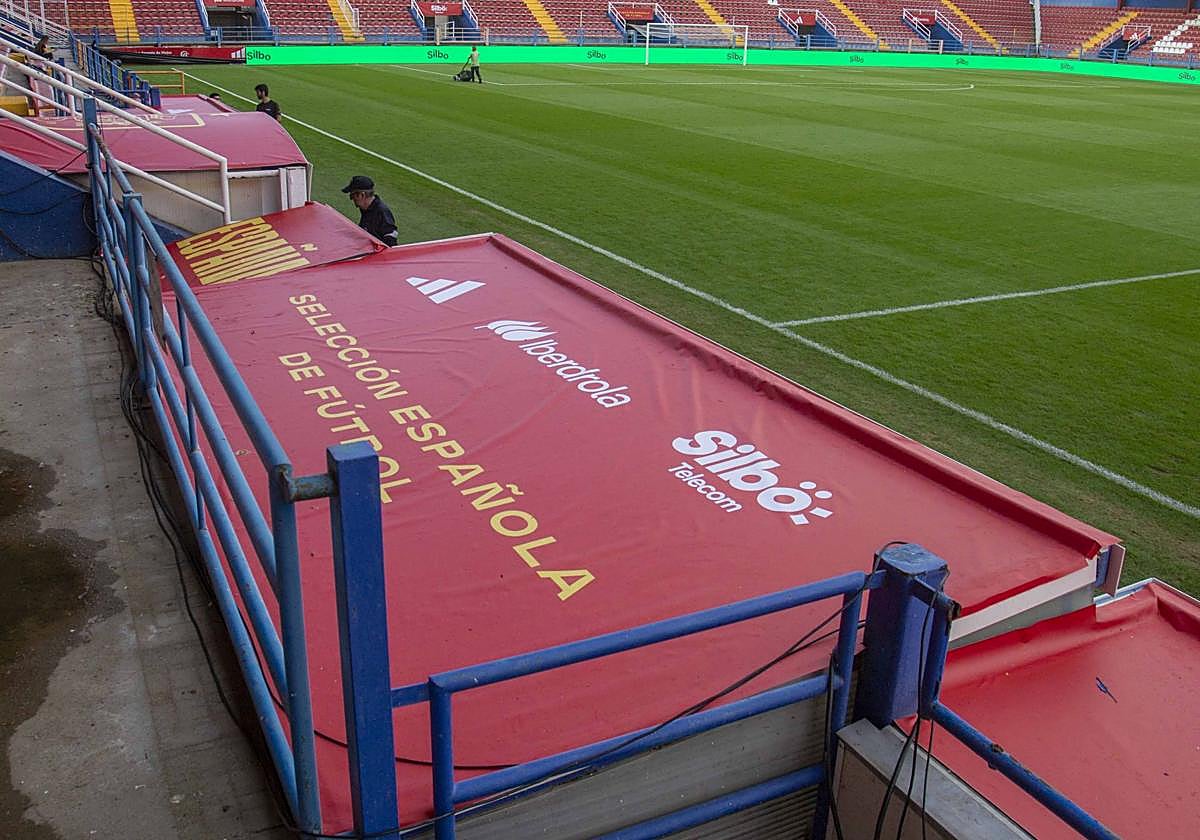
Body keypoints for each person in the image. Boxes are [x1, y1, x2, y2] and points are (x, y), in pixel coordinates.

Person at [341, 176, 398, 247]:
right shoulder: (366, 209)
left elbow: (391, 243)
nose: (352, 199)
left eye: (352, 196)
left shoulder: (381, 212)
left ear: (362, 195)